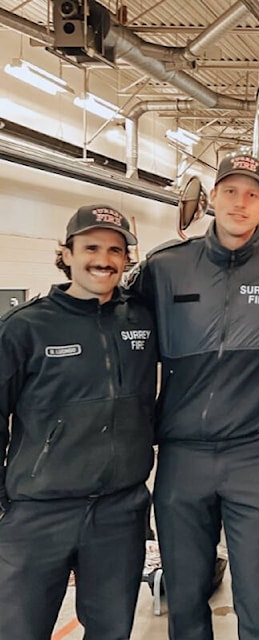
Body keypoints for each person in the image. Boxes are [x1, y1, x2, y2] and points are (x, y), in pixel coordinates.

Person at [126, 154, 259, 640]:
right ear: (212, 199)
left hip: (253, 455)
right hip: (181, 456)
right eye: (231, 192)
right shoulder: (165, 267)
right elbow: (115, 325)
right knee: (187, 593)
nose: (240, 202)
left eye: (252, 194)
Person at [0, 205, 156, 639]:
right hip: (38, 513)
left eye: (115, 250)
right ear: (66, 253)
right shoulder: (25, 328)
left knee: (111, 631)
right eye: (90, 247)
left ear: (126, 260)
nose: (102, 259)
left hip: (119, 512)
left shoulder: (141, 318)